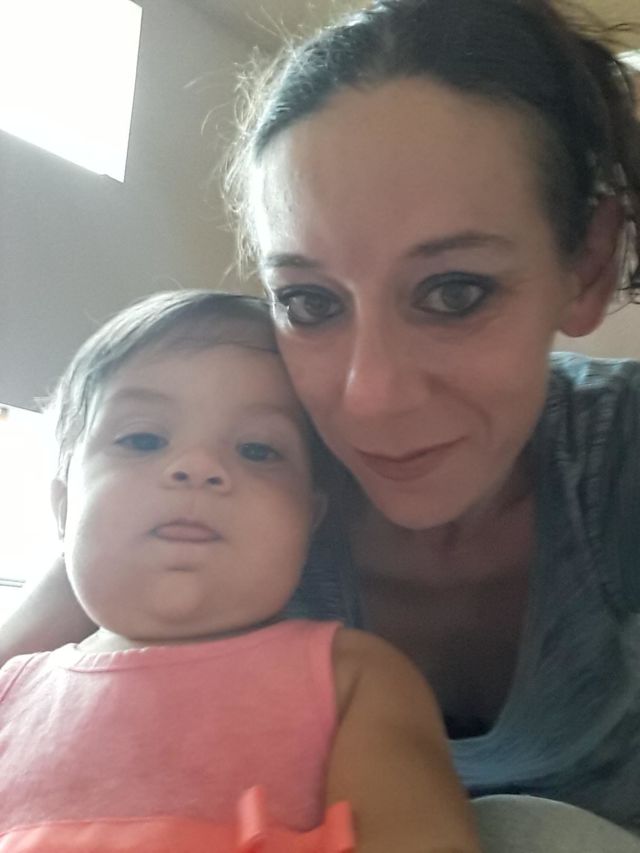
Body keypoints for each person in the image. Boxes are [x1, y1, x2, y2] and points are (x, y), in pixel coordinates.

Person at [2, 0, 640, 850]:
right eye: (309, 302)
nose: (369, 395)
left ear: (587, 264)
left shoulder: (620, 462)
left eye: (455, 292)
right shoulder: (232, 482)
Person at [0, 290, 481, 852]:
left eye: (257, 450)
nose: (198, 466)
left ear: (309, 521)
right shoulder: (11, 691)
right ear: (62, 508)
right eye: (143, 439)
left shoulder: (350, 678)